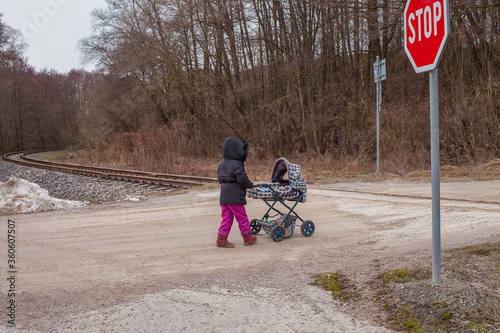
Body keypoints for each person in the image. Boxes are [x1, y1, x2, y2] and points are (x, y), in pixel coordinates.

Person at [216, 137, 257, 248]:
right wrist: (251, 185)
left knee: (227, 218)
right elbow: (242, 180)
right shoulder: (237, 164)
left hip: (224, 197)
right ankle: (247, 237)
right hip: (235, 197)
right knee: (242, 217)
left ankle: (221, 238)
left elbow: (220, 178)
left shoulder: (222, 164)